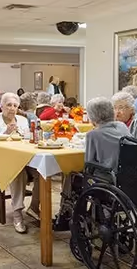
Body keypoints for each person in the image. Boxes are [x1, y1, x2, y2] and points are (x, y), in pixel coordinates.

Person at [54, 97, 128, 231]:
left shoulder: (94, 135)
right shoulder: (122, 127)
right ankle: (87, 215)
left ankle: (68, 216)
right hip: (127, 178)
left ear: (93, 116)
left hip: (108, 181)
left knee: (72, 176)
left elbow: (89, 164)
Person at [0, 92, 33, 233]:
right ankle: (17, 213)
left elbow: (27, 138)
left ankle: (34, 208)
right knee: (18, 172)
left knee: (42, 171)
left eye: (15, 105)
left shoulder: (22, 120)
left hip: (23, 156)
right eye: (9, 105)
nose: (12, 108)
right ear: (2, 106)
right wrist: (5, 132)